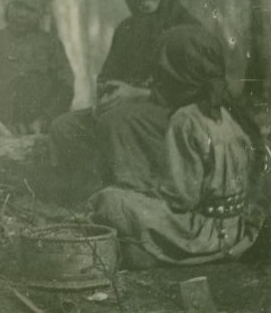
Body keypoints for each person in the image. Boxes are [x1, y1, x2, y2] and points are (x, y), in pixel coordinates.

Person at [90, 25, 268, 268]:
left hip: (202, 232)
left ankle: (155, 252)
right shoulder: (229, 115)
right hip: (235, 228)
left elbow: (180, 199)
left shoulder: (184, 120)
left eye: (163, 73)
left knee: (110, 200)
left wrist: (145, 192)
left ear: (177, 74)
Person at [43, 0, 199, 202]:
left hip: (171, 114)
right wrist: (104, 97)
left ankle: (136, 198)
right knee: (64, 126)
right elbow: (109, 75)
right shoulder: (127, 29)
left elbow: (196, 91)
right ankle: (90, 197)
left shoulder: (186, 27)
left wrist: (139, 94)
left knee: (116, 121)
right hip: (124, 111)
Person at [0, 0, 74, 135]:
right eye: (18, 6)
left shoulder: (51, 44)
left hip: (39, 129)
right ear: (8, 6)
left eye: (30, 9)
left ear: (40, 14)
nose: (21, 14)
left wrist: (44, 120)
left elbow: (65, 87)